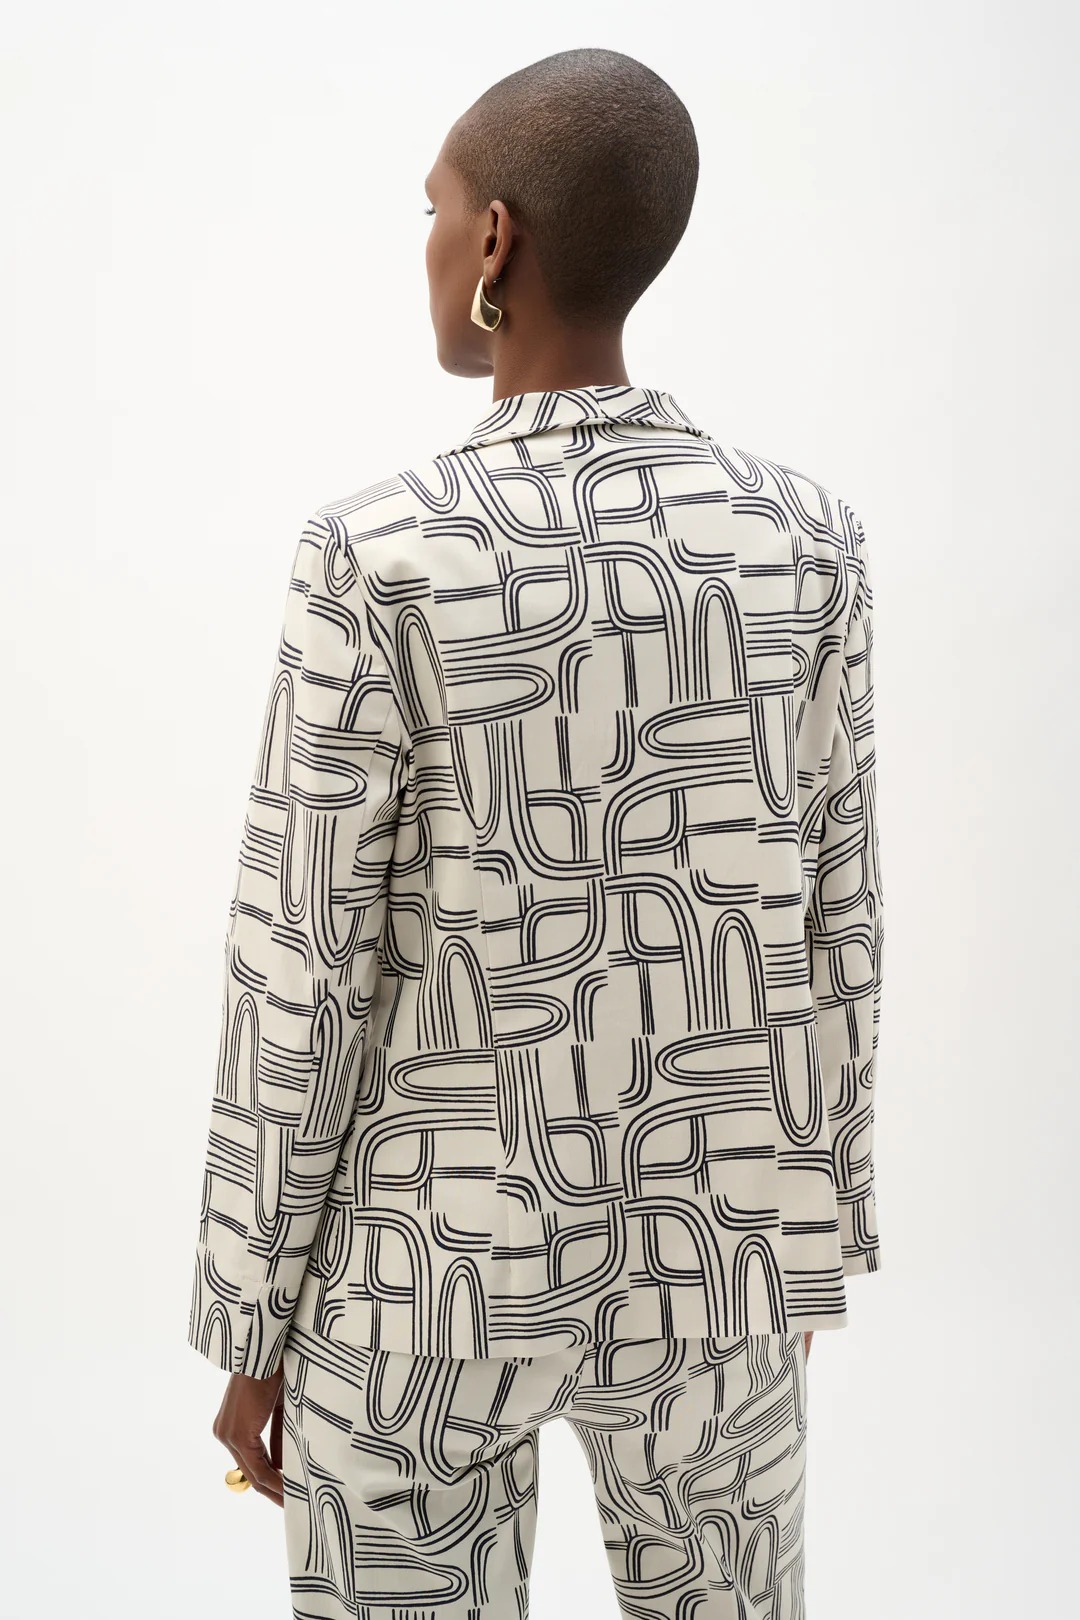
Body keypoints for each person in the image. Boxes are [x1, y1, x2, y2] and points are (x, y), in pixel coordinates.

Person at [186, 46, 884, 1620]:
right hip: (713, 1259)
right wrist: (811, 1229)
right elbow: (836, 918)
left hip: (419, 1278)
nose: (431, 244)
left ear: (495, 238)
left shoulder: (377, 552)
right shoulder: (806, 541)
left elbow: (303, 959)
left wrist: (251, 1315)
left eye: (435, 210)